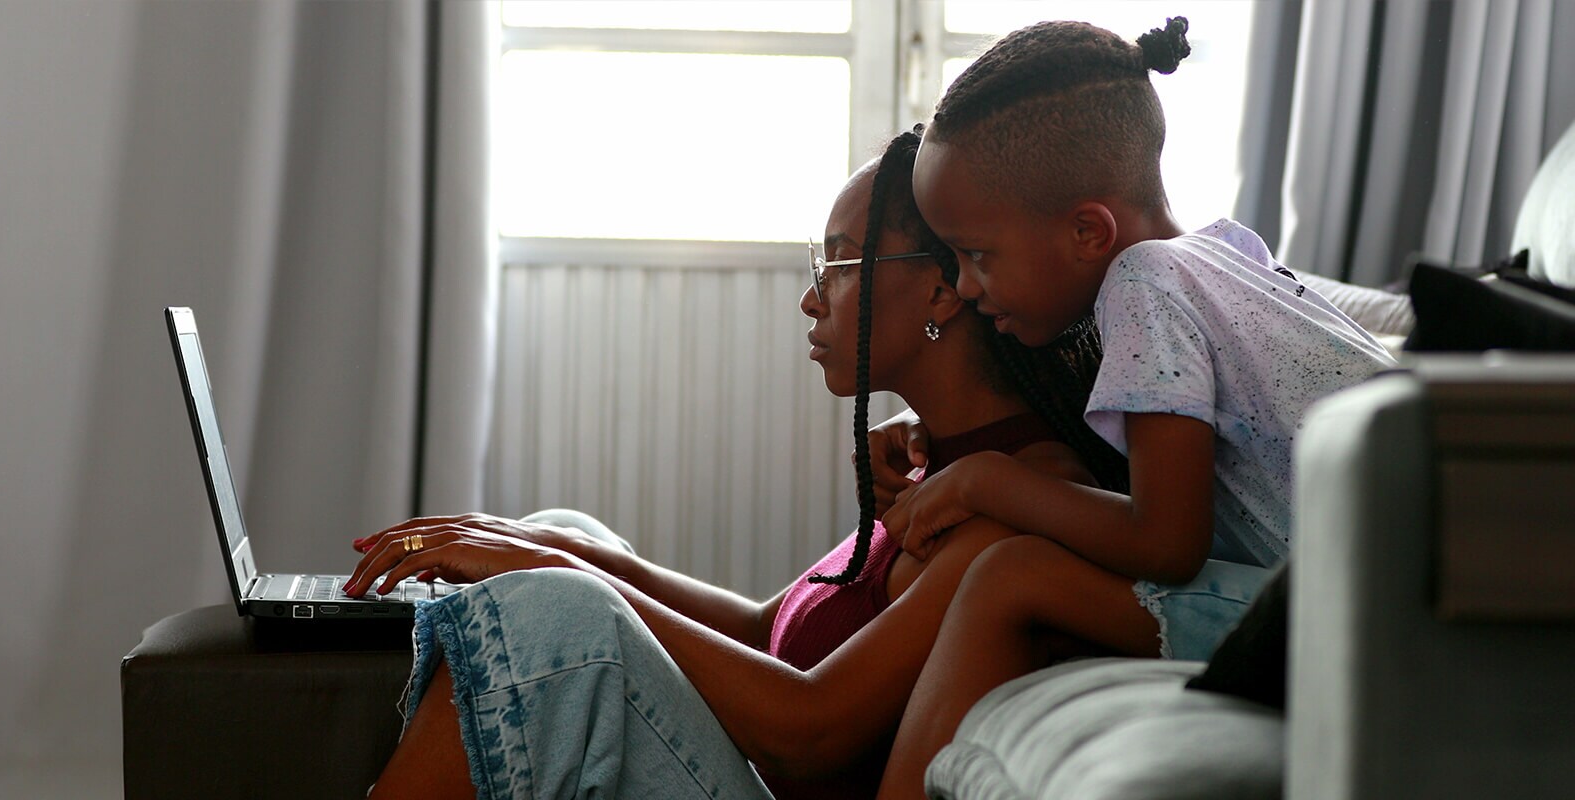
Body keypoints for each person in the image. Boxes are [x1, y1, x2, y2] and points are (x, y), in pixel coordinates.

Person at [341, 127, 1124, 800]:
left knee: (559, 617)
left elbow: (809, 726)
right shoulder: (938, 467)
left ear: (943, 291)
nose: (813, 299)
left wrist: (569, 579)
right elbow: (765, 626)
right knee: (564, 533)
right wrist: (564, 550)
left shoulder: (1017, 498)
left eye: (841, 264)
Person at [870, 17, 1399, 795]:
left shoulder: (1144, 284)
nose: (969, 287)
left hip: (1353, 623)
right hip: (1381, 593)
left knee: (1008, 574)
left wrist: (983, 479)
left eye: (978, 256)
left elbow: (1164, 542)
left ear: (1088, 231)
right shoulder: (1221, 252)